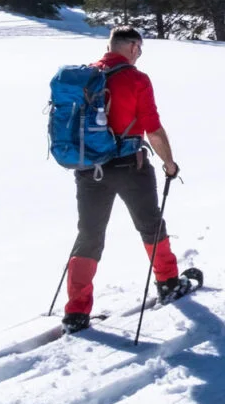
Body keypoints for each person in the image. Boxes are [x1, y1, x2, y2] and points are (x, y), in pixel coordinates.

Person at [62, 27, 195, 332]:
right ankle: (168, 282)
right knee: (151, 225)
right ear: (133, 47)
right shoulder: (136, 79)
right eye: (140, 47)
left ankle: (76, 312)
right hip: (129, 166)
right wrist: (169, 163)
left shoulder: (87, 77)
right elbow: (153, 128)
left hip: (88, 169)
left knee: (89, 234)